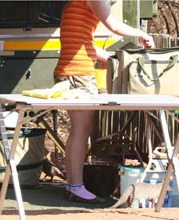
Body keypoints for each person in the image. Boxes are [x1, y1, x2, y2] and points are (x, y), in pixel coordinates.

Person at [54, 0, 154, 203]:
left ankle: (73, 184)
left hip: (73, 69)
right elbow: (114, 25)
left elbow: (84, 43)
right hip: (78, 72)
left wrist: (116, 58)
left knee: (79, 129)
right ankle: (75, 187)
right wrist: (142, 34)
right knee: (82, 129)